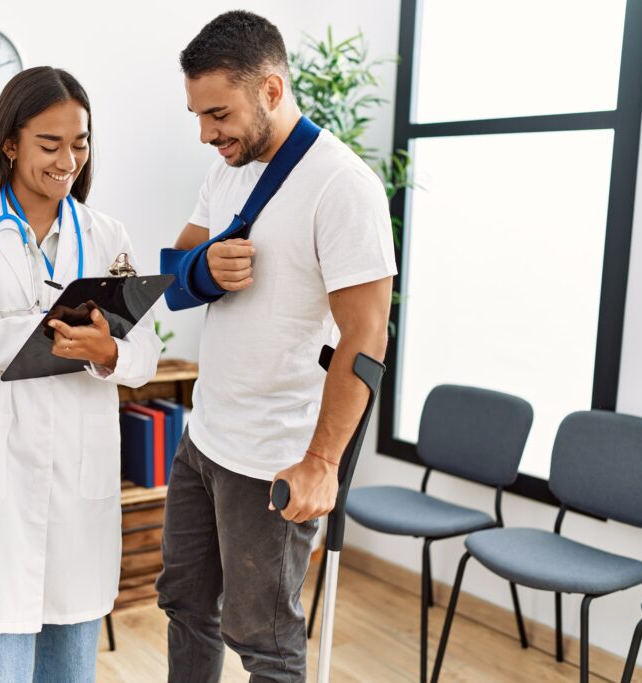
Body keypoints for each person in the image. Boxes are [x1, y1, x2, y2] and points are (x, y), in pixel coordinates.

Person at [155, 11, 397, 682]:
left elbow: (368, 335)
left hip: (272, 459)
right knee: (184, 603)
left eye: (218, 113)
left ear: (269, 89)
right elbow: (174, 269)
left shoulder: (342, 187)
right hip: (204, 439)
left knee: (264, 643)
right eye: (197, 115)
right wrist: (204, 269)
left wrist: (323, 461)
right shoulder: (227, 169)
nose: (207, 134)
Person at [0, 66, 162, 683]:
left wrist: (108, 353)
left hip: (77, 490)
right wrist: (51, 333)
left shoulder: (106, 233)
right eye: (49, 144)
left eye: (79, 143)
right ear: (10, 142)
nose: (68, 160)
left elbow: (146, 353)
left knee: (67, 663)